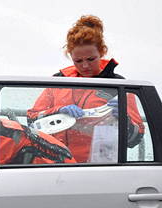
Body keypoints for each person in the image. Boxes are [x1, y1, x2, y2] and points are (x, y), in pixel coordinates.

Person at [27, 15, 144, 163]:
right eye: (78, 61)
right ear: (70, 56)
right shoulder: (58, 81)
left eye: (91, 59)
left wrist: (124, 120)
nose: (85, 66)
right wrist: (58, 110)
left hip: (96, 167)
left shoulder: (118, 86)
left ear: (101, 52)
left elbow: (135, 138)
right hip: (54, 163)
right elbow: (32, 119)